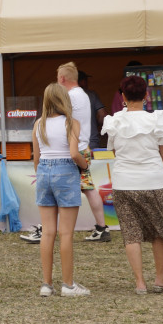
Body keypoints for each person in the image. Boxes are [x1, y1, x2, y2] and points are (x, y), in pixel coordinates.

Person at [102, 75, 163, 294]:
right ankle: (160, 279)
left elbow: (115, 152)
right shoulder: (157, 119)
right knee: (158, 230)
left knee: (131, 232)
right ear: (146, 95)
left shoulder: (115, 121)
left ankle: (140, 283)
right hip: (153, 181)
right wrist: (153, 168)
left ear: (123, 96)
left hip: (124, 182)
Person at [32, 82, 92, 297]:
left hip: (43, 173)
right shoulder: (71, 123)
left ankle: (47, 285)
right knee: (65, 233)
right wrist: (85, 166)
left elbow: (36, 158)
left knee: (47, 232)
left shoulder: (38, 124)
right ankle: (68, 285)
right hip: (66, 172)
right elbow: (75, 154)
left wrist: (42, 173)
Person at [60, 62, 111, 242]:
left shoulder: (70, 96)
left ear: (62, 79)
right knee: (89, 189)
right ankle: (102, 227)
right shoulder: (83, 94)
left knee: (58, 190)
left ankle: (48, 227)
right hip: (83, 147)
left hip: (74, 149)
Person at [78, 71, 108, 150]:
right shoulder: (92, 95)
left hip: (72, 144)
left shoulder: (65, 96)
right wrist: (96, 124)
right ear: (82, 81)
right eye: (86, 80)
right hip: (91, 141)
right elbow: (103, 114)